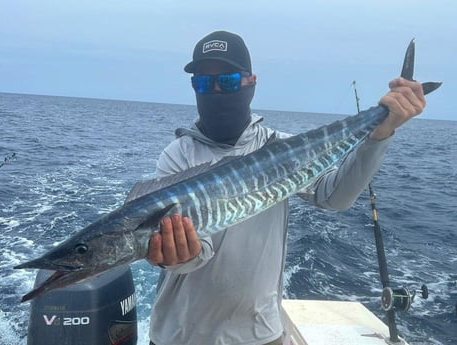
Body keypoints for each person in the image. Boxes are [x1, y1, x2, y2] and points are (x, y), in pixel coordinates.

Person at [141, 30, 426, 345]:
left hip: (260, 334)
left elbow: (335, 197)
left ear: (251, 81)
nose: (216, 90)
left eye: (229, 80)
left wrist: (380, 133)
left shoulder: (281, 148)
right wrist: (179, 255)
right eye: (203, 83)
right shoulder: (178, 155)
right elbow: (195, 252)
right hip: (179, 336)